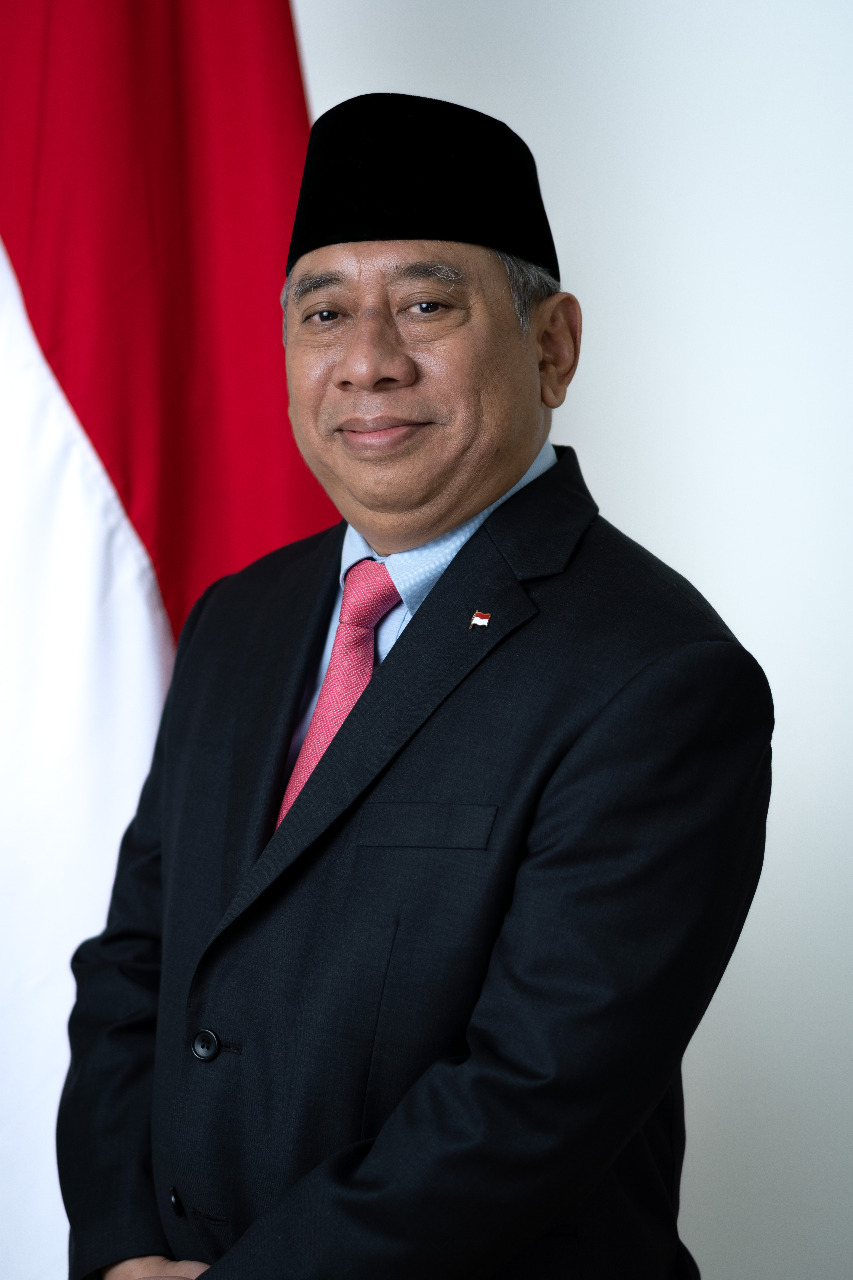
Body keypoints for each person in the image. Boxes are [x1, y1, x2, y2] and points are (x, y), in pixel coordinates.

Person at [57, 94, 773, 1280]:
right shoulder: (241, 619)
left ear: (552, 346)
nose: (367, 361)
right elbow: (134, 966)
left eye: (427, 303)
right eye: (323, 311)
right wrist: (123, 1247)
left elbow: (530, 1099)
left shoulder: (659, 677)